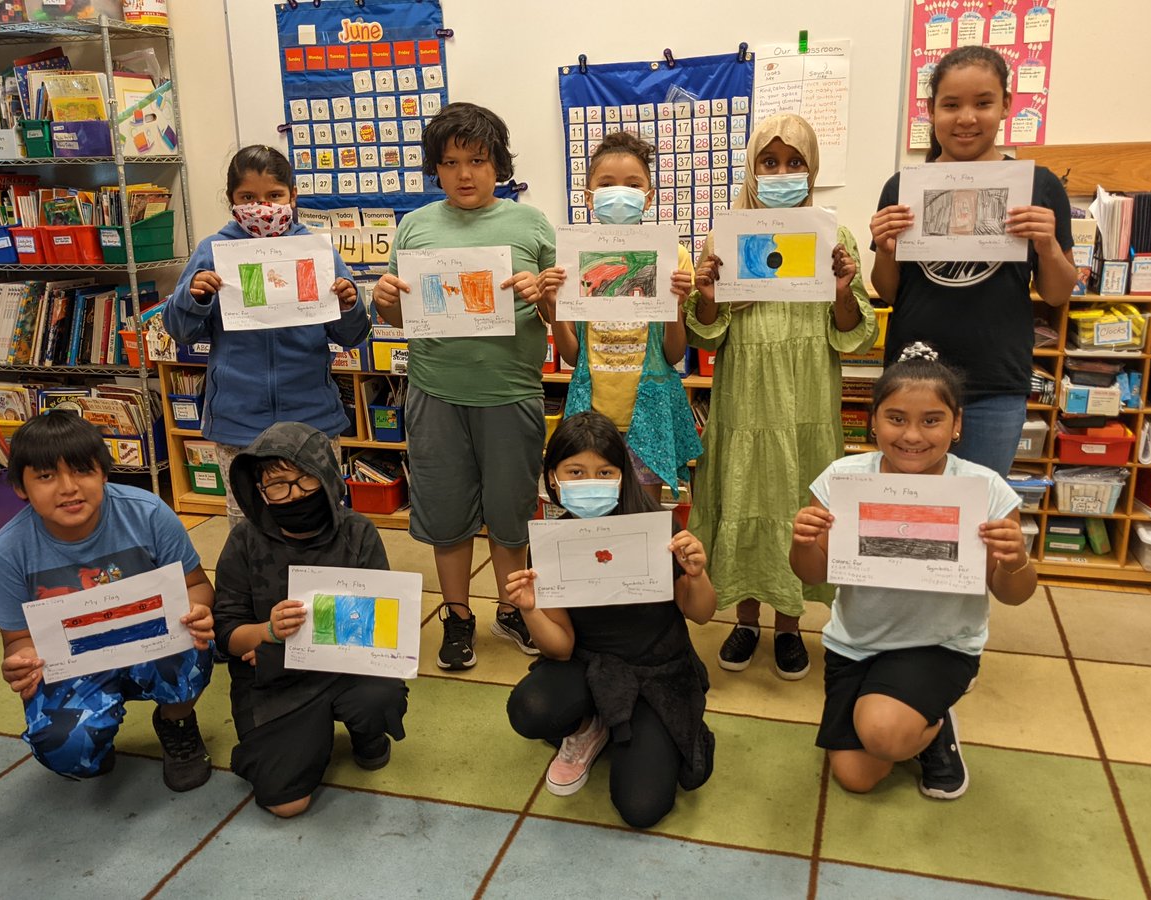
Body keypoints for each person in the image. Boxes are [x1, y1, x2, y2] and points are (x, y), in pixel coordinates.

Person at [790, 343, 1036, 800]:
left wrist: (1016, 559)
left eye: (932, 420)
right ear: (873, 420)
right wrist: (803, 539)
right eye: (896, 418)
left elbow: (1014, 594)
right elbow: (811, 574)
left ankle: (935, 723)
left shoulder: (984, 489)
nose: (912, 435)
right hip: (856, 643)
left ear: (957, 424)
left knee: (883, 733)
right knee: (857, 777)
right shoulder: (843, 479)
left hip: (940, 644)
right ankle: (906, 716)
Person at [685, 114, 877, 678]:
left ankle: (790, 623)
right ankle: (746, 618)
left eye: (794, 163)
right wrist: (708, 293)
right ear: (752, 168)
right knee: (743, 493)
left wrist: (843, 290)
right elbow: (705, 331)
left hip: (808, 395)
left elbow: (853, 331)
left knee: (799, 501)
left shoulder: (833, 237)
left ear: (812, 168)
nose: (782, 173)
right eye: (770, 163)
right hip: (745, 393)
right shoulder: (728, 236)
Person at [372, 102, 555, 670]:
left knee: (511, 514)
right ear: (436, 168)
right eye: (450, 163)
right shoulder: (416, 225)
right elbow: (405, 321)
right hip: (436, 393)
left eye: (477, 159)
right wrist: (386, 305)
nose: (465, 174)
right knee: (446, 517)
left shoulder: (531, 225)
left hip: (510, 392)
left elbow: (559, 315)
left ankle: (512, 608)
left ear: (498, 162)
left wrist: (541, 292)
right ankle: (457, 616)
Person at [504, 411, 717, 829]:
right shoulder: (550, 544)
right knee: (530, 708)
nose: (590, 482)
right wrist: (529, 608)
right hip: (587, 668)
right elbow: (560, 646)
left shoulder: (655, 529)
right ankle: (590, 724)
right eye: (576, 472)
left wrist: (697, 573)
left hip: (659, 672)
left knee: (641, 806)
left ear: (623, 476)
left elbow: (703, 613)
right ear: (553, 479)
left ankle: (648, 724)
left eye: (604, 471)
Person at [869, 46, 1075, 477]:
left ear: (1006, 105)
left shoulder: (1038, 185)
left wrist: (1048, 245)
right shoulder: (903, 186)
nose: (966, 117)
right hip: (913, 380)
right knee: (913, 510)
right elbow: (888, 291)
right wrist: (886, 249)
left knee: (978, 513)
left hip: (995, 382)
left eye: (982, 102)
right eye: (951, 105)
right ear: (931, 111)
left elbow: (1057, 293)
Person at [0, 412, 215, 790]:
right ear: (20, 487)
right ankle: (95, 732)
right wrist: (20, 661)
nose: (68, 488)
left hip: (151, 644)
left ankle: (176, 722)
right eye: (45, 476)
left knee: (190, 648)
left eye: (82, 471)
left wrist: (199, 610)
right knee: (68, 751)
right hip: (73, 661)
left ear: (104, 474)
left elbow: (197, 586)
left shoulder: (150, 514)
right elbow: (18, 638)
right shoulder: (8, 552)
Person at [165, 145, 366, 528]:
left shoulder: (316, 251)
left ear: (293, 195)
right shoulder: (213, 251)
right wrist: (193, 297)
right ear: (231, 201)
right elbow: (181, 332)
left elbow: (353, 335)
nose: (262, 207)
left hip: (311, 419)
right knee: (248, 522)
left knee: (321, 516)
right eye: (248, 198)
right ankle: (255, 590)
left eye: (274, 196)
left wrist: (349, 302)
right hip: (238, 422)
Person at [213, 422, 408, 817]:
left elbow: (384, 627)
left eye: (306, 480)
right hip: (274, 679)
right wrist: (265, 632)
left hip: (347, 669)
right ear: (260, 491)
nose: (294, 494)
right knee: (287, 803)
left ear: (328, 479)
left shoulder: (358, 532)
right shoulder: (244, 541)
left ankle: (367, 733)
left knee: (379, 695)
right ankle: (304, 735)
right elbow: (227, 633)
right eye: (278, 485)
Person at [537, 131, 703, 500]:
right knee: (594, 506)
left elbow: (675, 355)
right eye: (607, 184)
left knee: (643, 513)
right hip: (592, 414)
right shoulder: (575, 257)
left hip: (651, 413)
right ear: (589, 196)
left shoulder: (672, 257)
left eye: (633, 184)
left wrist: (676, 304)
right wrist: (553, 305)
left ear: (648, 197)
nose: (620, 192)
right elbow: (571, 356)